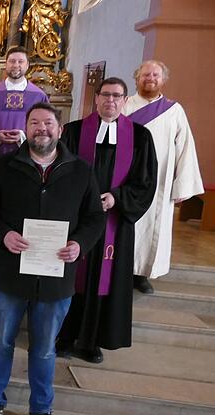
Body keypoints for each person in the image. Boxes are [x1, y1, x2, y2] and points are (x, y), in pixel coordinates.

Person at [0, 103, 104, 415]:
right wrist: (4, 234)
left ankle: (41, 409)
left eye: (48, 123)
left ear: (60, 130)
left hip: (56, 279)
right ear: (26, 128)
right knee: (1, 342)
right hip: (8, 275)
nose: (42, 129)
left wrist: (80, 244)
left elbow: (94, 218)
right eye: (35, 123)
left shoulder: (81, 170)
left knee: (45, 349)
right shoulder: (3, 166)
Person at [57, 78, 157, 364]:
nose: (110, 101)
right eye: (105, 95)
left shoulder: (140, 137)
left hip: (115, 222)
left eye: (117, 96)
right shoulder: (74, 132)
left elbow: (145, 182)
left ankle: (91, 341)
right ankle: (64, 336)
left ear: (125, 100)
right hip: (77, 220)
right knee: (71, 276)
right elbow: (61, 170)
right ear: (96, 98)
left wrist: (115, 197)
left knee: (106, 278)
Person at [122, 60, 204, 294]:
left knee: (151, 228)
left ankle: (141, 274)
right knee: (126, 226)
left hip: (159, 182)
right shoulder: (124, 106)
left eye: (156, 75)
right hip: (126, 181)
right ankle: (121, 271)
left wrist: (182, 187)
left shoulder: (174, 111)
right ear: (137, 77)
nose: (150, 78)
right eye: (146, 74)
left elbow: (185, 148)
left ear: (163, 80)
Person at [0, 46, 49, 273]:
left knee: (19, 203)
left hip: (26, 160)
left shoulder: (39, 96)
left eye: (20, 62)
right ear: (5, 64)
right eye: (12, 61)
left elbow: (46, 124)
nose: (16, 66)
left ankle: (19, 249)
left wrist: (24, 137)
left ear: (27, 66)